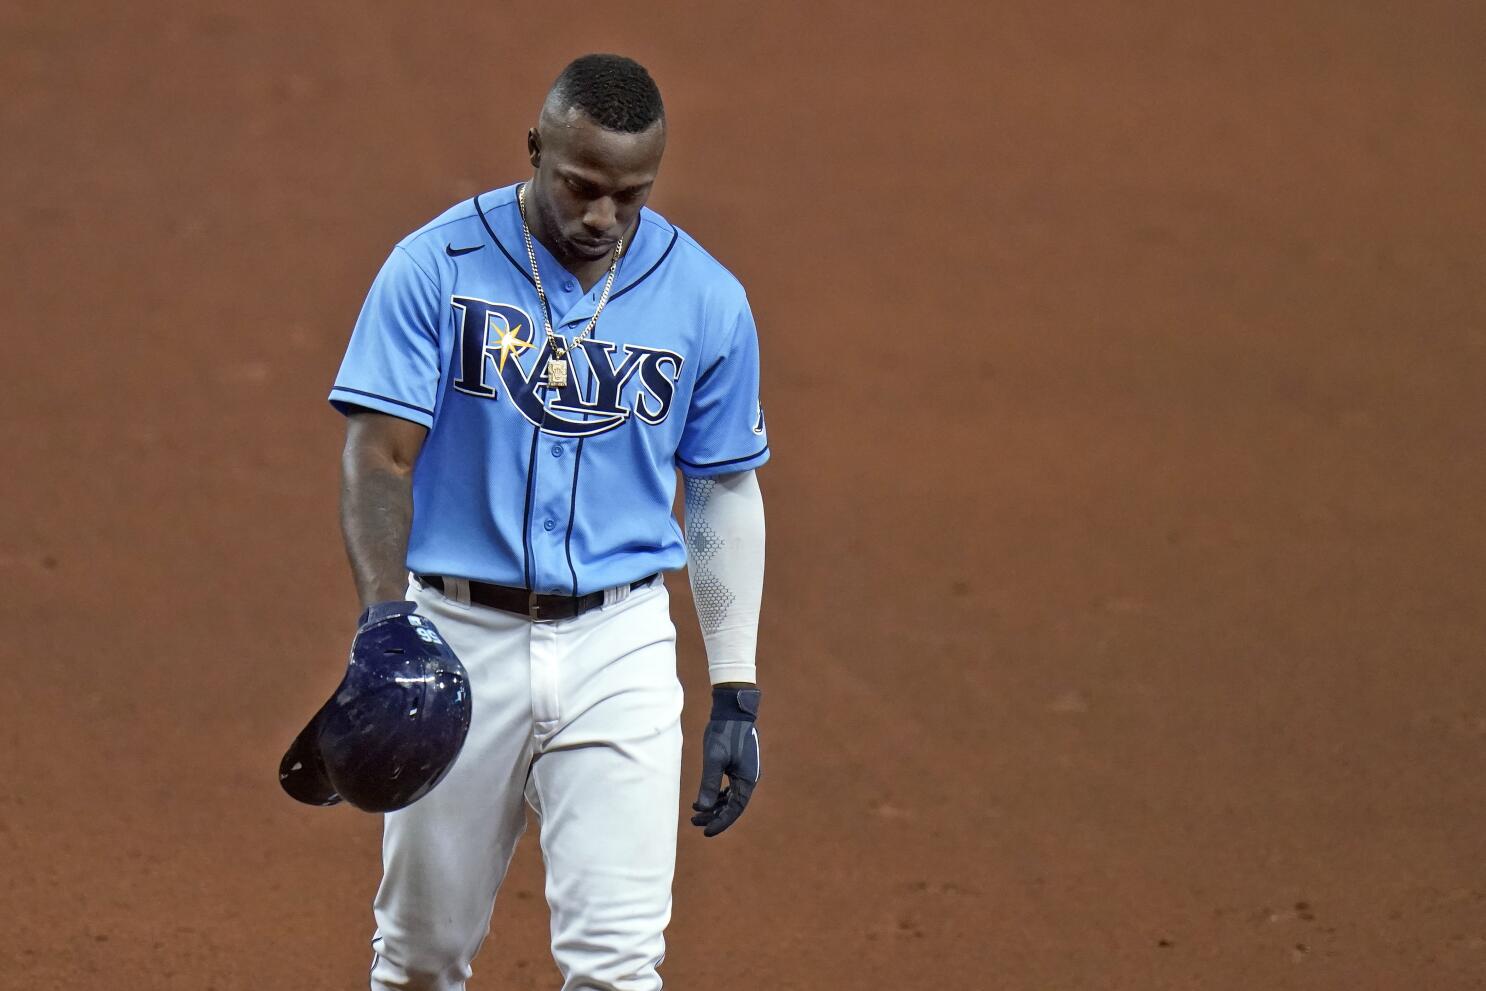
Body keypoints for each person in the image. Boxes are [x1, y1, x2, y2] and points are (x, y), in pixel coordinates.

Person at [328, 53, 769, 991]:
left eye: (629, 194)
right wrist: (383, 624)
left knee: (618, 969)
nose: (601, 216)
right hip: (458, 638)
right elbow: (380, 457)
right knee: (419, 960)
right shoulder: (433, 267)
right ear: (535, 149)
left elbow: (724, 489)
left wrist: (736, 686)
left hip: (620, 643)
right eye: (579, 185)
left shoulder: (707, 299)